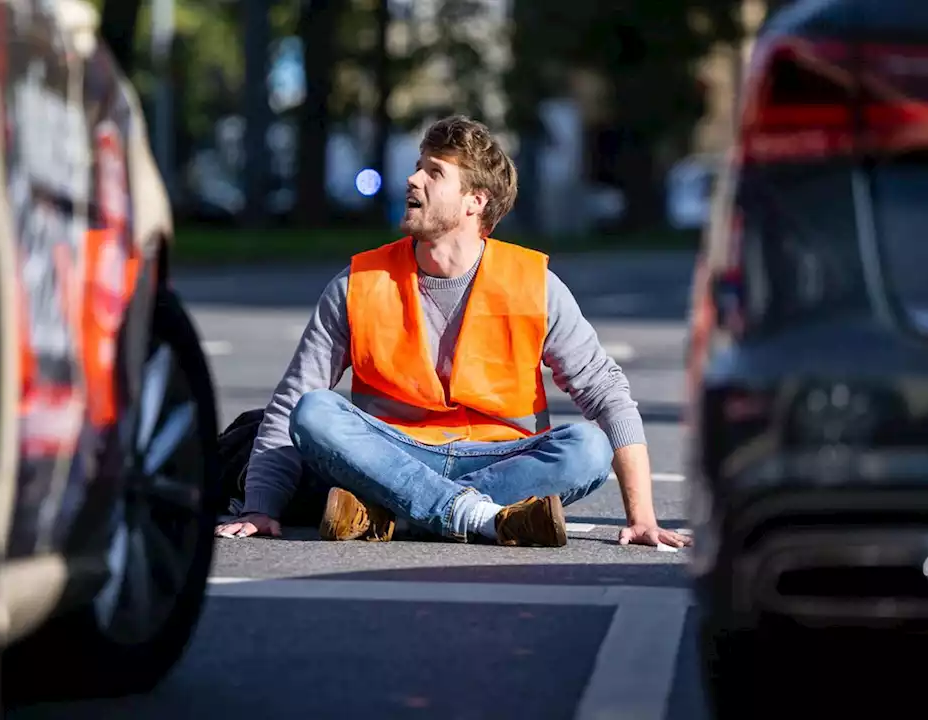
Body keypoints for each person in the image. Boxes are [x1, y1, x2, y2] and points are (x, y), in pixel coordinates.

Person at [215, 115, 692, 549]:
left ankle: (395, 512)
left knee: (588, 447)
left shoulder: (535, 285)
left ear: (475, 201)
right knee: (314, 411)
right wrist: (261, 506)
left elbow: (607, 393)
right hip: (388, 452)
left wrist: (643, 516)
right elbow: (294, 399)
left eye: (434, 172)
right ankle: (473, 515)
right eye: (419, 166)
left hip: (498, 457)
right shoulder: (357, 282)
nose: (412, 178)